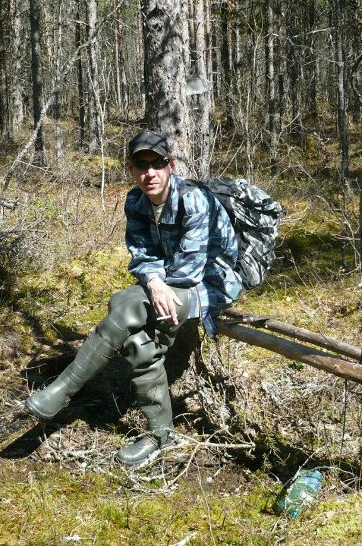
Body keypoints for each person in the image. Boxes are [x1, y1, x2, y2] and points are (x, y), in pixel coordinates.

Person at [25, 130, 242, 466]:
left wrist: (154, 284)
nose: (149, 173)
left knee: (125, 304)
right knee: (139, 343)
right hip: (169, 283)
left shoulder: (193, 199)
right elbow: (142, 252)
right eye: (141, 165)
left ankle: (63, 389)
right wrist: (154, 283)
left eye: (157, 164)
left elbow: (189, 270)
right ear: (130, 168)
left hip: (212, 283)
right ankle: (160, 435)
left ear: (170, 165)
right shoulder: (136, 201)